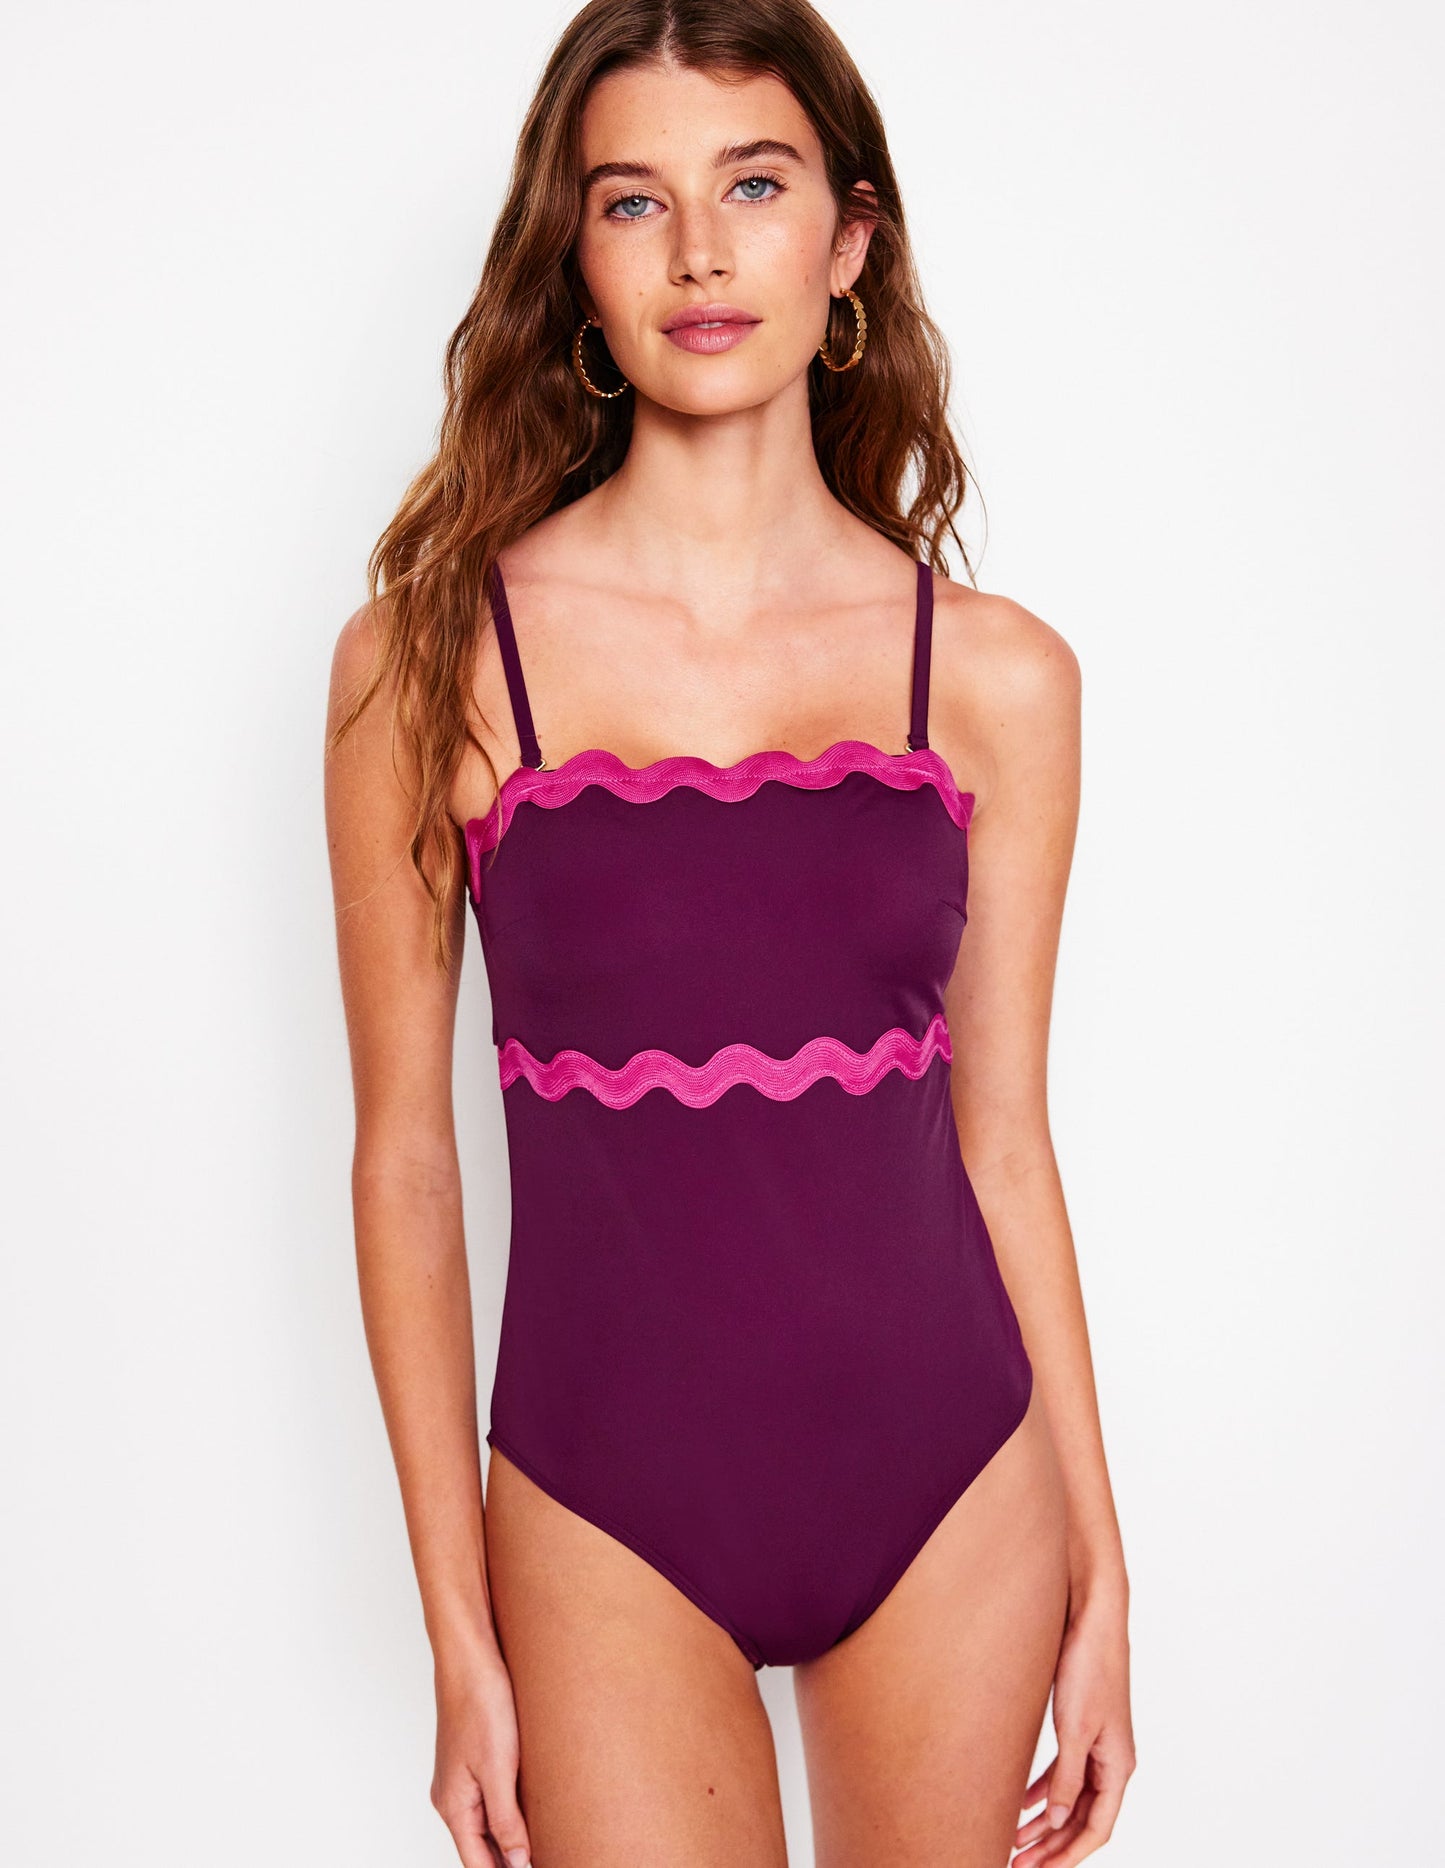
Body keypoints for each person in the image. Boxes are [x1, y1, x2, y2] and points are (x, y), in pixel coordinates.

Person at [324, 2, 1135, 1863]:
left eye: (753, 186)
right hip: (599, 1509)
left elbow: (1006, 1140)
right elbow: (405, 1165)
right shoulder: (430, 663)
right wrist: (457, 1632)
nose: (697, 251)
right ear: (575, 260)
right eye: (633, 201)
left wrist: (1103, 1565)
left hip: (954, 1482)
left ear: (848, 241)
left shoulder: (995, 677)